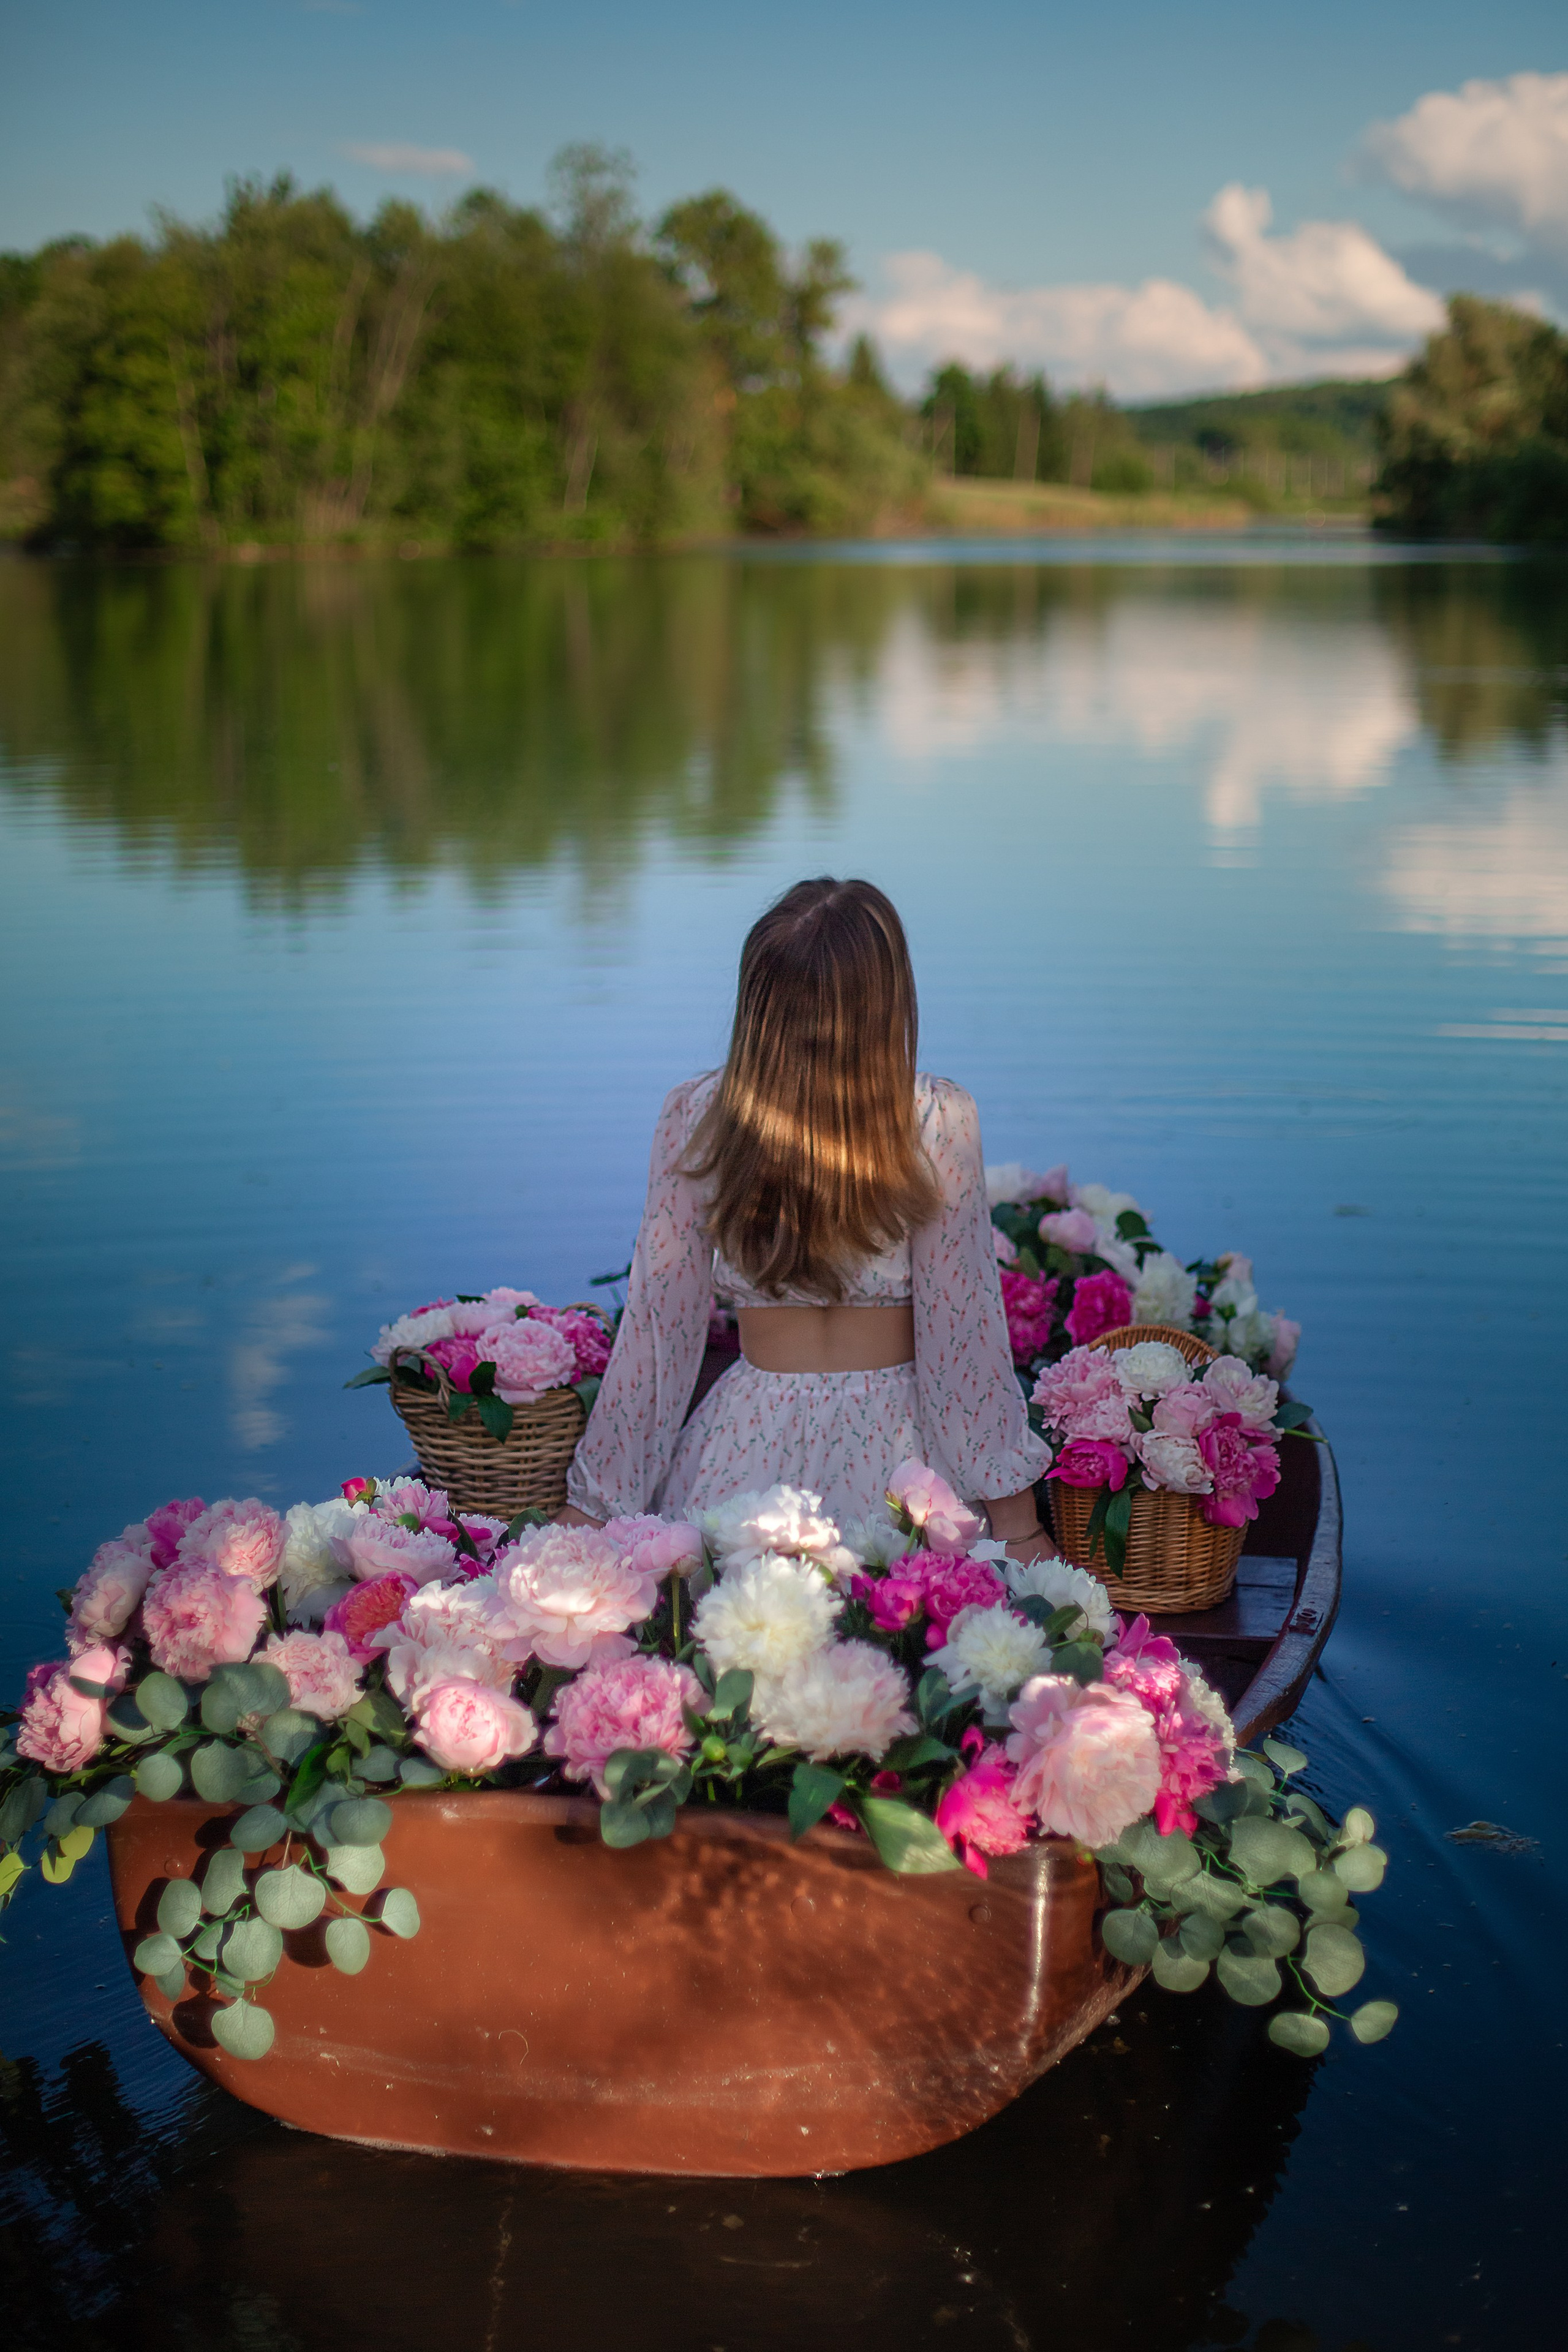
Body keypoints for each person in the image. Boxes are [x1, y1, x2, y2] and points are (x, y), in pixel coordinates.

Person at [561, 876, 1055, 1564]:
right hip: (902, 1468)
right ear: (889, 999)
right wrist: (1019, 1526)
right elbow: (963, 1334)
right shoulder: (936, 1118)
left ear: (758, 1004)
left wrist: (593, 1509)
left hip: (744, 1453)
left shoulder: (698, 1115)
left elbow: (657, 1333)